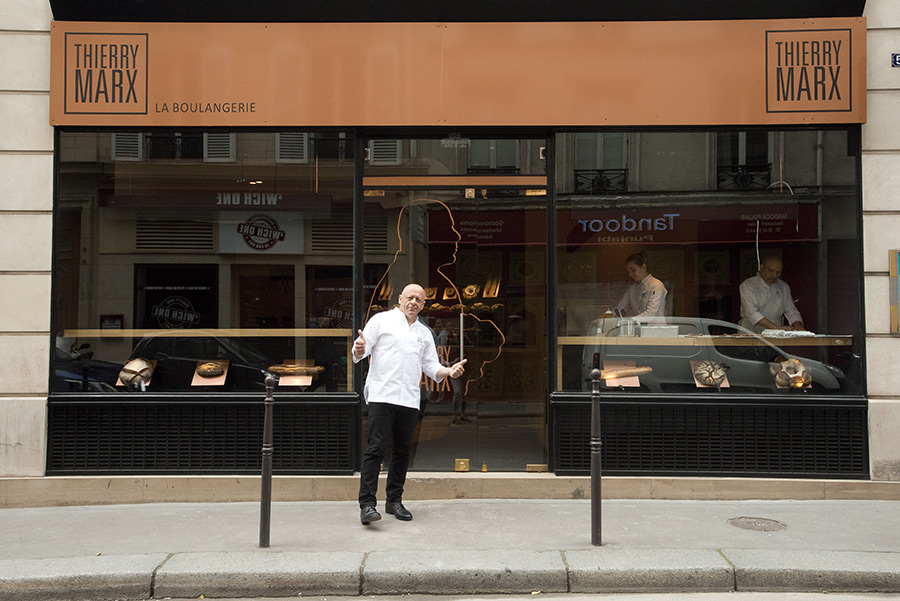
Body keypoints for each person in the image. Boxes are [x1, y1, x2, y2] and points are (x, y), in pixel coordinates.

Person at [353, 283, 467, 525]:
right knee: (375, 449)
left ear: (424, 304)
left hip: (409, 400)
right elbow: (360, 351)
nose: (413, 302)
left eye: (419, 299)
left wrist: (448, 371)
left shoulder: (425, 333)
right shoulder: (381, 321)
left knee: (403, 452)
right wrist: (359, 347)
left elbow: (430, 366)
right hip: (382, 396)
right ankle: (367, 504)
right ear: (400, 298)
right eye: (410, 297)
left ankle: (394, 501)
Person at [738, 254, 804, 334]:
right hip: (750, 334)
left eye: (778, 272)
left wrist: (798, 326)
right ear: (761, 268)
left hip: (774, 336)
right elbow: (752, 313)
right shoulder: (748, 285)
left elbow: (791, 310)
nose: (774, 275)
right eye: (771, 271)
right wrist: (776, 328)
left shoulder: (783, 286)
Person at [613, 253, 668, 318]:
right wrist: (605, 317)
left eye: (633, 270)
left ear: (644, 267)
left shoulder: (656, 285)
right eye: (628, 271)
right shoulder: (632, 288)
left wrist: (630, 321)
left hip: (656, 327)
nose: (630, 274)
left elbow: (651, 313)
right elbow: (620, 308)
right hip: (639, 327)